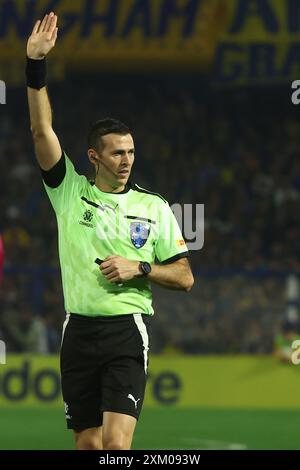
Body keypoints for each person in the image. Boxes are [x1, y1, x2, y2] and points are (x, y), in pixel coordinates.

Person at [26, 12, 194, 451]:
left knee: (117, 448)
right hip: (77, 331)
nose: (127, 160)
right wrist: (35, 68)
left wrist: (139, 266)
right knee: (88, 445)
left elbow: (185, 276)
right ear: (93, 157)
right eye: (117, 152)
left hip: (125, 331)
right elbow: (41, 130)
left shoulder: (153, 206)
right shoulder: (67, 190)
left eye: (131, 151)